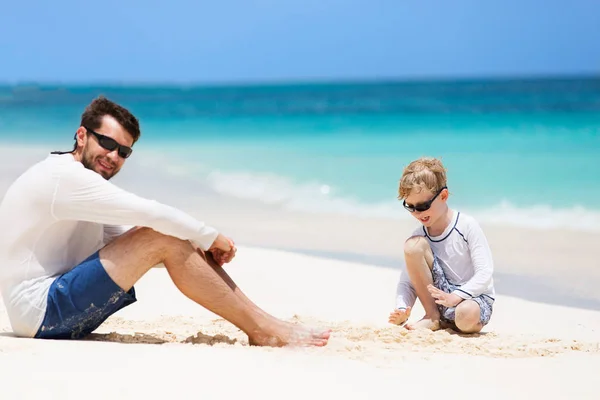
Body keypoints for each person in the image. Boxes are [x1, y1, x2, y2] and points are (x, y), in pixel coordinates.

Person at [0, 96, 330, 347]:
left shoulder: (82, 187)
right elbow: (150, 215)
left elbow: (131, 246)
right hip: (40, 313)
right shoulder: (64, 178)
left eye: (124, 152)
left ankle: (263, 323)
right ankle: (263, 329)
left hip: (57, 307)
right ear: (82, 136)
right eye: (107, 143)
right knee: (165, 233)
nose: (114, 156)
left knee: (170, 236)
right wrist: (209, 236)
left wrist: (191, 246)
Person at [388, 157, 495, 333]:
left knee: (466, 315)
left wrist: (456, 297)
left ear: (443, 196)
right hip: (440, 302)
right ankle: (432, 317)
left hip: (472, 299)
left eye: (423, 205)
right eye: (410, 206)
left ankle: (451, 320)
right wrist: (402, 309)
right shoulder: (419, 235)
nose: (417, 213)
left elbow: (485, 273)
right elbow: (407, 282)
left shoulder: (466, 225)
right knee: (412, 246)